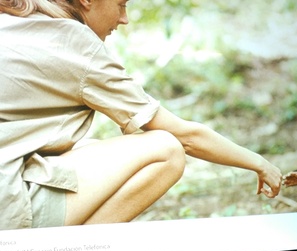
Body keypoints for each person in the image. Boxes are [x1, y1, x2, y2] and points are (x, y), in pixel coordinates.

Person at [0, 0, 282, 230]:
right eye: (121, 5)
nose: (125, 19)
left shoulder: (16, 19)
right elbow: (185, 137)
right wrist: (258, 163)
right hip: (8, 209)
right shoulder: (73, 42)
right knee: (166, 150)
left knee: (90, 148)